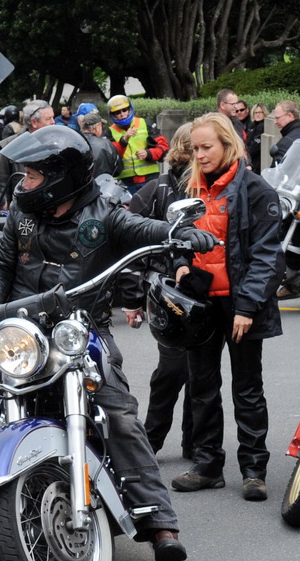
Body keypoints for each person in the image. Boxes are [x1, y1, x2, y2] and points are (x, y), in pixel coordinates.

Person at [0, 125, 217, 561]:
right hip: (19, 334)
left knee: (119, 416)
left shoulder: (106, 214)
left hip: (80, 330)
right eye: (24, 176)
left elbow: (145, 228)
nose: (23, 184)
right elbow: (1, 262)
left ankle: (159, 520)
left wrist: (179, 235)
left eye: (31, 176)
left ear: (60, 176)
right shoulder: (22, 215)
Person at [168, 112, 283, 502]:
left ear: (227, 145)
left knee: (247, 389)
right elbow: (176, 240)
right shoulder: (191, 189)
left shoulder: (256, 190)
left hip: (239, 304)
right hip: (199, 303)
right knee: (202, 386)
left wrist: (247, 307)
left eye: (206, 147)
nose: (198, 155)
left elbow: (266, 256)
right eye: (194, 148)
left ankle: (254, 470)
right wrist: (180, 263)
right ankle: (207, 466)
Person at [128, 123, 195, 462]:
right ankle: (150, 441)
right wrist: (132, 297)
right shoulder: (160, 187)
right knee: (171, 370)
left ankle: (195, 442)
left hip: (203, 289)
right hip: (167, 290)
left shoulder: (214, 185)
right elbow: (127, 236)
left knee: (199, 371)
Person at [106, 94, 169, 196]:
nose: (122, 114)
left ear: (130, 109)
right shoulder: (110, 132)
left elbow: (164, 147)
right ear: (112, 114)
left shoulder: (146, 123)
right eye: (117, 112)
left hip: (150, 178)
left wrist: (148, 153)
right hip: (126, 183)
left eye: (124, 110)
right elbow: (110, 158)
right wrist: (123, 141)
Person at [0, 99, 54, 202]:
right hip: (20, 205)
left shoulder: (58, 143)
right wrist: (3, 205)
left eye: (53, 117)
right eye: (48, 119)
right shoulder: (9, 146)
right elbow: (2, 182)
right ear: (34, 122)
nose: (53, 122)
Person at [269, 100, 300, 167]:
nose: (275, 122)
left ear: (290, 116)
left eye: (277, 118)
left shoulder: (284, 144)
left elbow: (275, 173)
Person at [79, 111, 122, 177]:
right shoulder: (106, 144)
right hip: (102, 185)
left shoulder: (74, 142)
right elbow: (118, 170)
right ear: (97, 127)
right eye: (101, 126)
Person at [245, 103, 267, 173]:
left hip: (257, 163)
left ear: (264, 113)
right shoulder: (252, 125)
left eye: (260, 112)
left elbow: (255, 145)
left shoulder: (263, 126)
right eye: (256, 112)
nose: (257, 114)